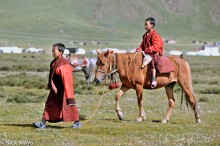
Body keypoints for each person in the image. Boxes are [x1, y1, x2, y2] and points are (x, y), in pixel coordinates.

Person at [33, 43, 81, 128]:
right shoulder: (54, 62)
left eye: (54, 51)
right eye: (52, 51)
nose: (52, 53)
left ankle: (77, 122)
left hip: (63, 90)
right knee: (49, 105)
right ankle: (43, 123)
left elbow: (67, 80)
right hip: (55, 89)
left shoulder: (64, 65)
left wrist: (69, 95)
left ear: (61, 52)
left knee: (69, 106)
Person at [136, 17, 164, 88]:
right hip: (147, 53)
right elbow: (142, 45)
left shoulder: (155, 35)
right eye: (144, 25)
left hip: (154, 53)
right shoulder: (145, 35)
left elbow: (157, 46)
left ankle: (153, 78)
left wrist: (146, 50)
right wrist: (138, 49)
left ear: (152, 25)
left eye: (146, 25)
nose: (145, 26)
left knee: (152, 61)